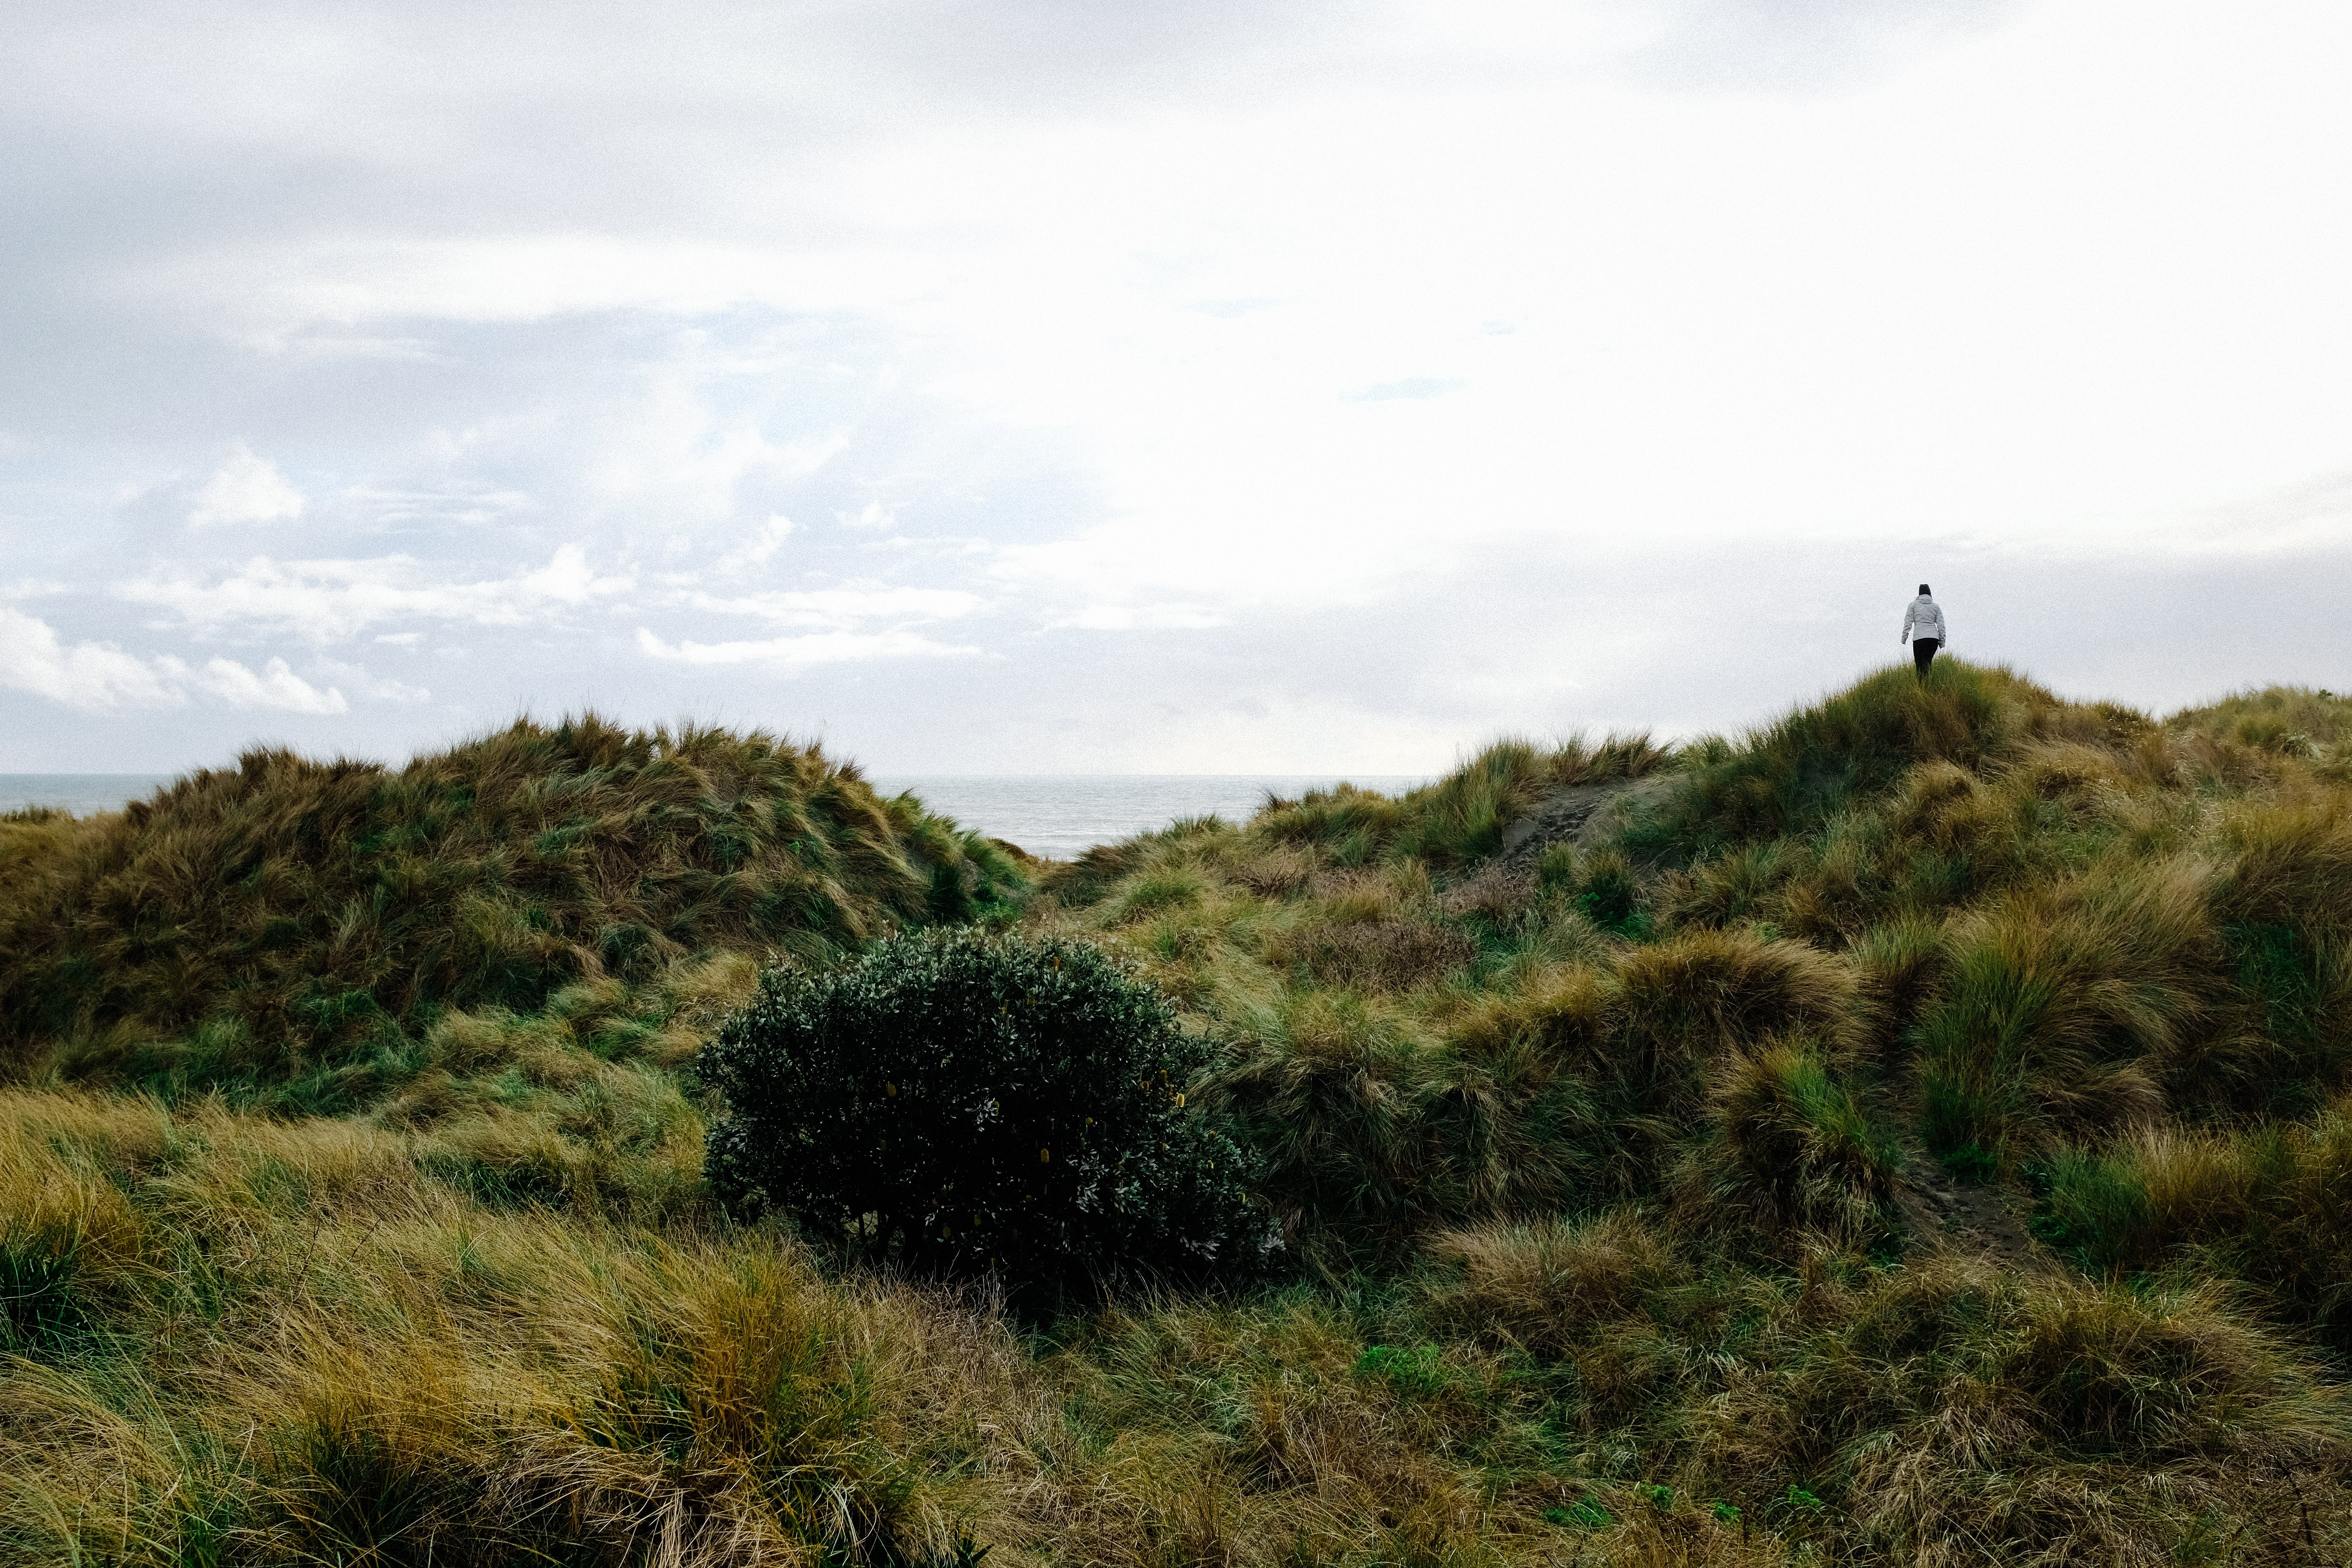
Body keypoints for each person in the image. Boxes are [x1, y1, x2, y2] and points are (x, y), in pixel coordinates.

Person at [1901, 584, 1945, 679]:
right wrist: (1942, 642)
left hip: (1919, 639)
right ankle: (1929, 684)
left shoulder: (1913, 606)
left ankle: (1922, 687)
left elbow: (1908, 623)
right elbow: (1941, 626)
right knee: (1928, 662)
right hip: (1933, 639)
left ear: (1919, 594)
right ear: (1930, 594)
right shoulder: (1936, 607)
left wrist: (1904, 638)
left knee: (1920, 665)